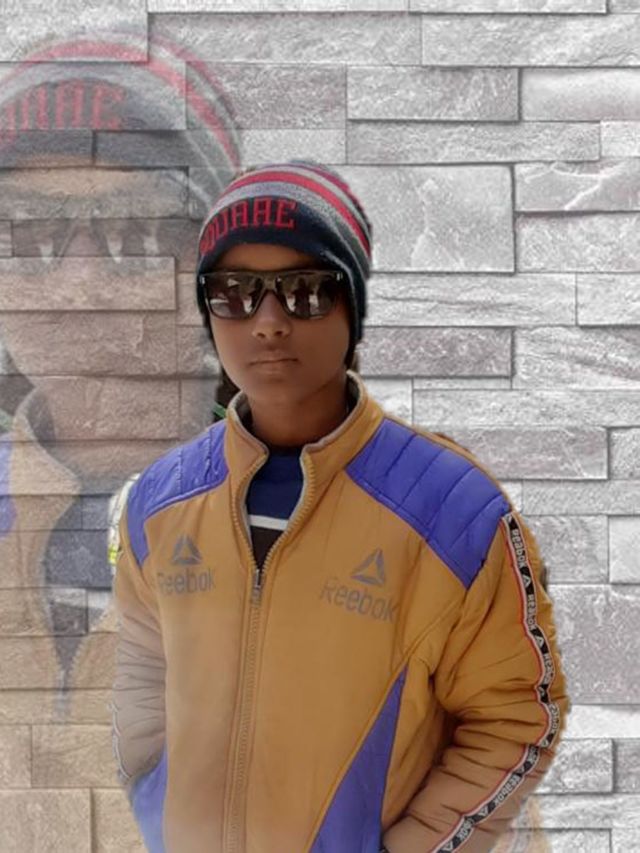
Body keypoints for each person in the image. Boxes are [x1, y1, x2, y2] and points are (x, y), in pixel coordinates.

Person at [110, 158, 570, 853]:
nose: (268, 322)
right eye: (234, 293)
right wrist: (153, 804)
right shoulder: (159, 502)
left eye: (304, 291)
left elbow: (516, 715)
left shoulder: (454, 513)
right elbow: (141, 676)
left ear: (352, 306)